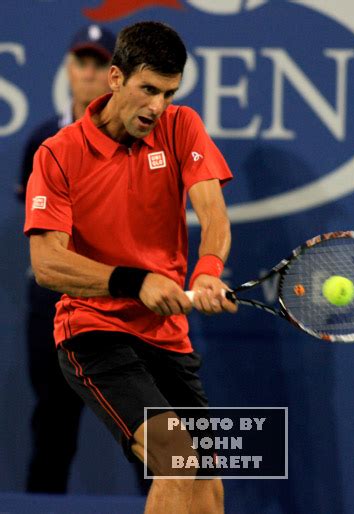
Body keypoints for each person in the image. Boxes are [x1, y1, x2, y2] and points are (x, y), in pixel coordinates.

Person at [24, 20, 237, 514]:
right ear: (115, 79)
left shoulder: (181, 126)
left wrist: (207, 268)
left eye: (168, 92)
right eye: (148, 89)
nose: (157, 106)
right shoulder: (57, 154)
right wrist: (132, 281)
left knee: (207, 484)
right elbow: (46, 264)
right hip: (94, 332)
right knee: (176, 456)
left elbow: (214, 214)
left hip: (168, 336)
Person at [17, 24, 116, 493]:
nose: (89, 74)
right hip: (54, 310)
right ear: (69, 69)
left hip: (123, 312)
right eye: (82, 62)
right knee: (52, 434)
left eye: (100, 64)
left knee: (152, 440)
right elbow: (43, 245)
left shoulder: (141, 143)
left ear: (116, 76)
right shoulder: (42, 141)